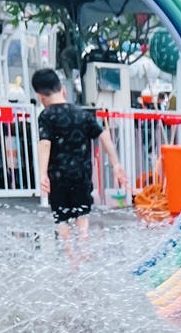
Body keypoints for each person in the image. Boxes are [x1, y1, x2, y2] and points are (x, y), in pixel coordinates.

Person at [31, 66, 127, 240]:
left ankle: (72, 260)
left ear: (40, 96)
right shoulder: (82, 115)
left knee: (61, 220)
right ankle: (84, 253)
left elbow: (45, 143)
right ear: (63, 90)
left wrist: (43, 173)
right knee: (82, 219)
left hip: (58, 179)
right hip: (81, 177)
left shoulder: (46, 115)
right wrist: (116, 164)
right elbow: (104, 136)